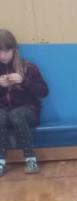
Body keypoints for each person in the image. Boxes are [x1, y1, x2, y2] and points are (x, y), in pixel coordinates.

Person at [0, 29, 48, 176]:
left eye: (6, 51)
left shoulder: (27, 67)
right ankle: (1, 161)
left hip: (28, 112)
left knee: (16, 114)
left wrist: (23, 81)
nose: (2, 55)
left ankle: (30, 159)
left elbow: (43, 92)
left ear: (14, 49)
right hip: (4, 114)